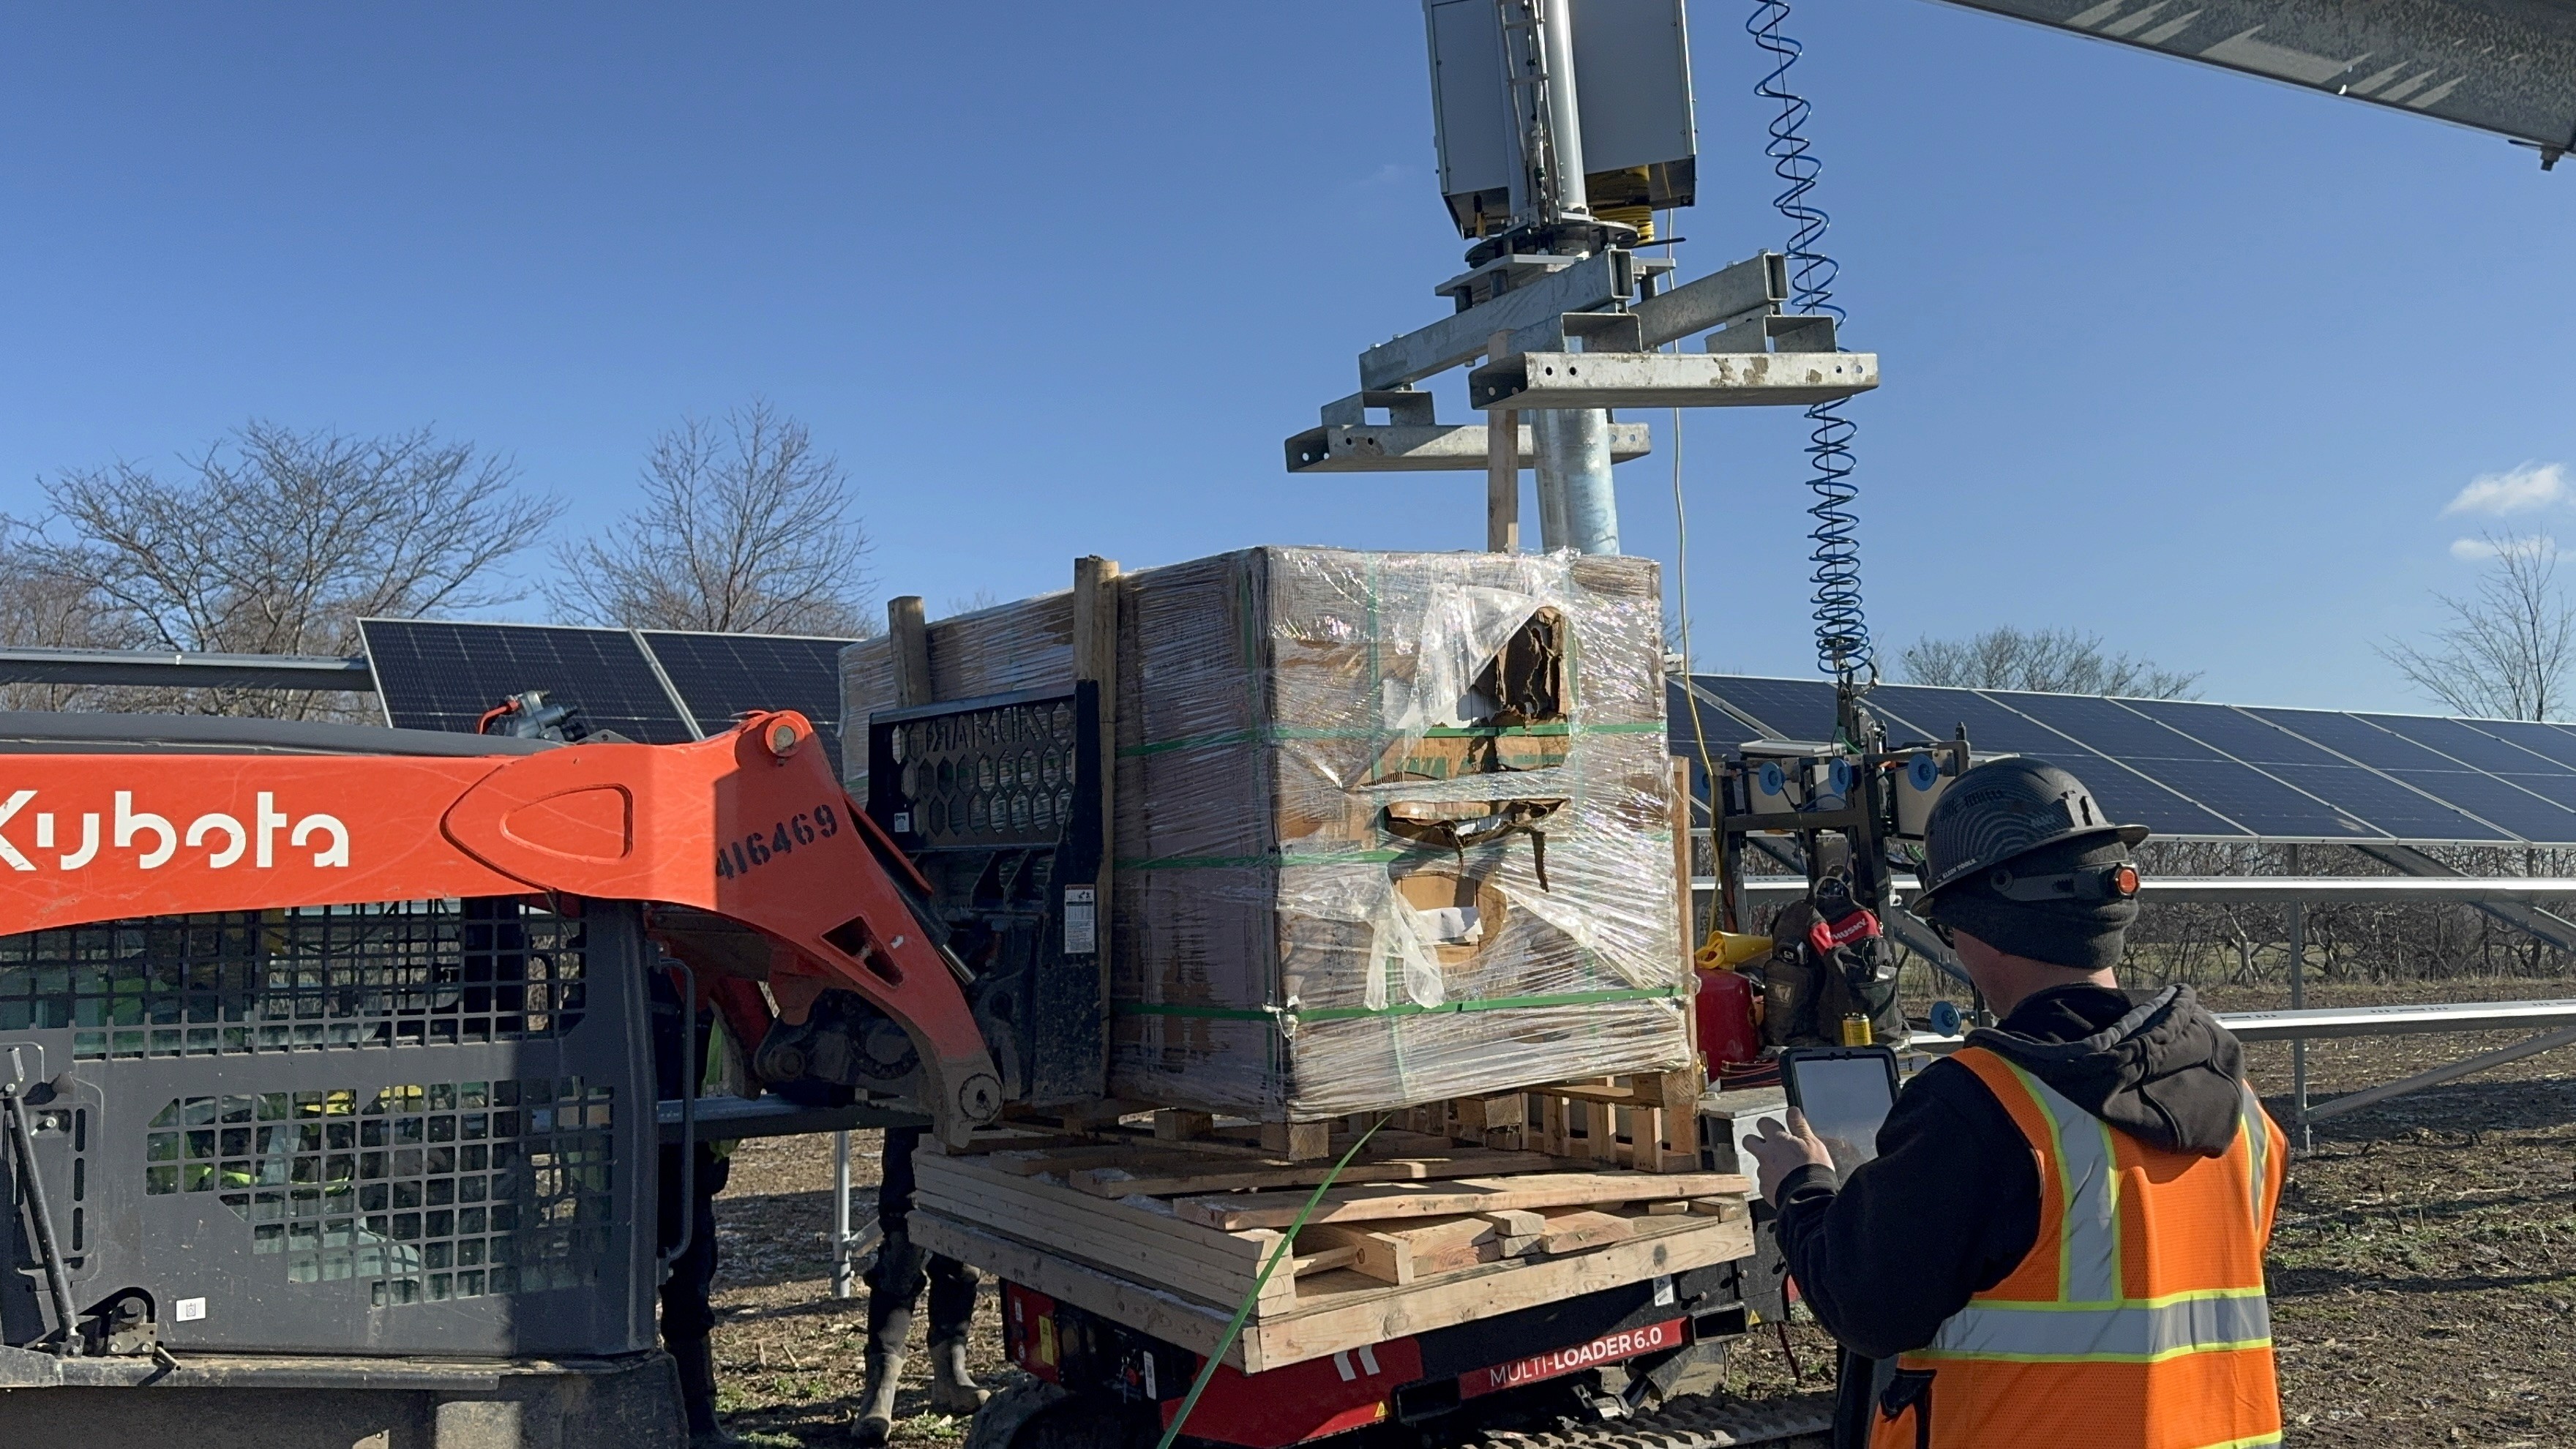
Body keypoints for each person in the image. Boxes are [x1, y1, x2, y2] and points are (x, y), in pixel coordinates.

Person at [1745, 757, 2287, 1449]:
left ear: (1975, 924)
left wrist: (1802, 1188)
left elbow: (1868, 1302)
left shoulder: (1981, 1105)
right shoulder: (2241, 1110)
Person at [854, 1124, 988, 1445]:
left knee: (961, 1240)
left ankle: (950, 1373)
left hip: (972, 1110)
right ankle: (880, 1385)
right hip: (914, 1103)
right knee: (903, 1244)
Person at [654, 966, 741, 1448]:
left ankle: (698, 1419)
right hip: (637, 1158)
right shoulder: (697, 973)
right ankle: (690, 1418)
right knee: (646, 1290)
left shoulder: (706, 980)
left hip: (687, 1160)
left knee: (688, 1286)